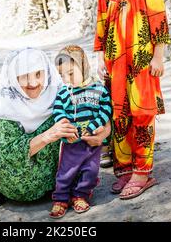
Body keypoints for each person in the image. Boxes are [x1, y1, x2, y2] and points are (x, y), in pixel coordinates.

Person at [94, 0, 171, 200]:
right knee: (119, 117)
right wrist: (101, 58)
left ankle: (142, 172)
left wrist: (158, 58)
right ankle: (124, 169)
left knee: (142, 115)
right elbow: (102, 27)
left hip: (141, 64)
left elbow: (159, 22)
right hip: (115, 65)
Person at [0, 48, 111, 207]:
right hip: (16, 166)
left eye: (38, 74)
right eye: (24, 77)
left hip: (55, 165)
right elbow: (10, 153)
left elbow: (95, 109)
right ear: (14, 78)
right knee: (0, 163)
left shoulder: (60, 89)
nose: (33, 83)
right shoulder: (6, 104)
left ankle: (61, 189)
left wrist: (103, 133)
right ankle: (1, 189)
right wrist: (47, 135)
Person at [49, 45, 112, 218]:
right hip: (72, 142)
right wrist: (64, 123)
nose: (67, 79)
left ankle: (81, 195)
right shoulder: (64, 92)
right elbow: (58, 110)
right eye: (62, 75)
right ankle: (61, 198)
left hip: (92, 143)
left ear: (83, 66)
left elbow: (105, 111)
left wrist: (93, 127)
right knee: (66, 171)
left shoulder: (99, 89)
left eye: (70, 73)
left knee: (90, 171)